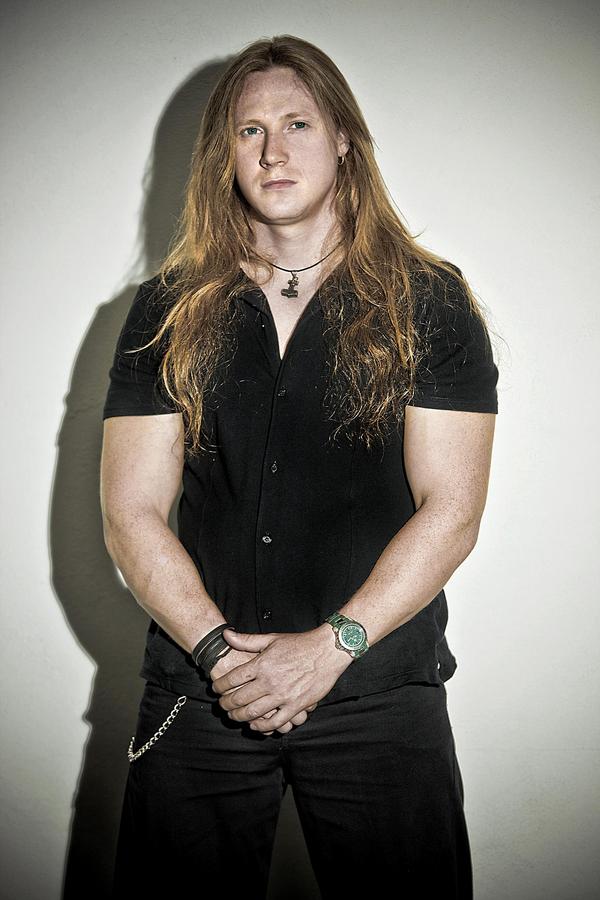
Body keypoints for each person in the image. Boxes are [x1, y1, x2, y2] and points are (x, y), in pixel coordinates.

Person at [100, 33, 498, 899]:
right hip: (202, 691)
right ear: (225, 152)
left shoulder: (429, 300)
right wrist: (221, 658)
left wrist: (331, 648)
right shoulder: (166, 310)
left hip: (377, 692)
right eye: (250, 130)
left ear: (344, 138)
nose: (273, 151)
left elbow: (452, 510)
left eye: (297, 123)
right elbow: (130, 513)